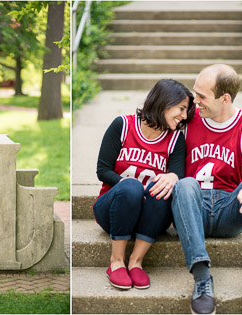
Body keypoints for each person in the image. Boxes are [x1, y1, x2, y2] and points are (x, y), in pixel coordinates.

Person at [171, 64, 242, 314]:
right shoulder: (189, 117)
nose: (195, 101)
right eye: (195, 94)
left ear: (225, 98)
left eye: (202, 96)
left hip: (230, 210)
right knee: (184, 184)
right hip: (192, 208)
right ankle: (202, 278)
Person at [93, 79, 192, 290]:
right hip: (113, 210)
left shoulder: (176, 139)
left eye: (186, 111)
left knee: (163, 187)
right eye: (181, 108)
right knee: (132, 187)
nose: (184, 116)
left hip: (150, 217)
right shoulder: (122, 125)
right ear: (165, 103)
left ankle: (136, 262)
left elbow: (176, 175)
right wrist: (129, 185)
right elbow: (103, 171)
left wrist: (174, 176)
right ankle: (116, 262)